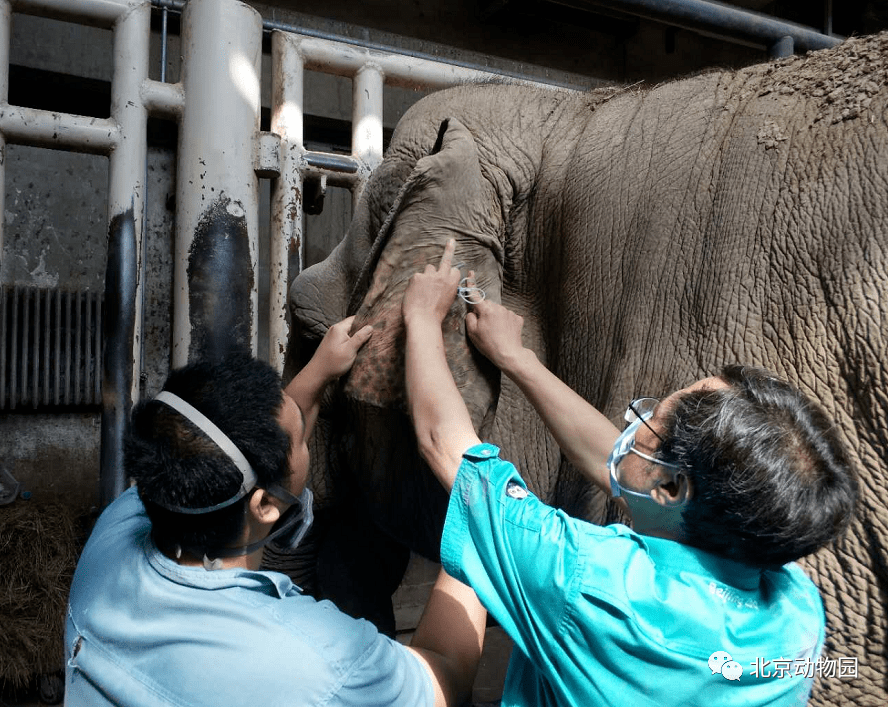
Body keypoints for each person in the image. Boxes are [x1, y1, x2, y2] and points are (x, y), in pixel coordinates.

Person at [402, 239, 858, 706]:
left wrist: (420, 316)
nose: (633, 425)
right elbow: (624, 467)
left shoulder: (585, 579)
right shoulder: (798, 609)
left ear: (672, 486)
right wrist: (518, 359)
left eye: (649, 418)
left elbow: (444, 442)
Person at [64, 316, 486, 707]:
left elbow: (226, 452)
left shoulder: (112, 541)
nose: (305, 437)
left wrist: (319, 370)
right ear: (265, 505)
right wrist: (481, 512)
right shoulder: (320, 660)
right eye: (303, 440)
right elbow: (446, 673)